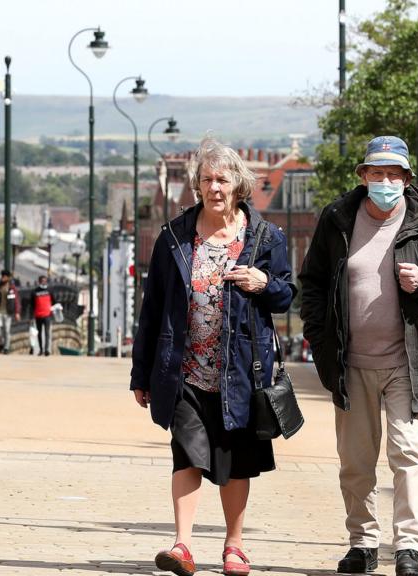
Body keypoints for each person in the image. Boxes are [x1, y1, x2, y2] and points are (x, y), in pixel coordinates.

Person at [299, 135, 418, 576]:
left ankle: (410, 547)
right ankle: (363, 543)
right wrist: (320, 343)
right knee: (355, 461)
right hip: (350, 362)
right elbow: (312, 283)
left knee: (408, 453)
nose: (386, 181)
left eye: (394, 174)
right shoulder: (337, 218)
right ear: (363, 176)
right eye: (378, 173)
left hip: (408, 359)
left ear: (408, 178)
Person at [131, 137, 296, 576]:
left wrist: (263, 283)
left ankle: (234, 546)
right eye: (206, 179)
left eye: (222, 179)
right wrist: (141, 373)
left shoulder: (266, 238)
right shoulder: (174, 238)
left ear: (238, 184)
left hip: (241, 371)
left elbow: (286, 296)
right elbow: (152, 309)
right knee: (186, 452)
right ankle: (183, 545)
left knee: (235, 459)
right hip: (184, 368)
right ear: (197, 185)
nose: (214, 187)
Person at [0, 270, 20, 354]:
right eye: (2, 276)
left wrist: (17, 312)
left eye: (5, 276)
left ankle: (6, 347)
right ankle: (1, 343)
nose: (3, 278)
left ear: (8, 277)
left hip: (8, 312)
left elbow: (16, 300)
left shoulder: (12, 288)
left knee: (7, 330)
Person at [31, 275, 56, 356]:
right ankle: (41, 350)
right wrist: (32, 315)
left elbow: (54, 301)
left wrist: (55, 309)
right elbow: (32, 304)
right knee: (39, 333)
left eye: (45, 281)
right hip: (38, 315)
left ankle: (46, 350)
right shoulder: (35, 291)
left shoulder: (50, 290)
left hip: (47, 315)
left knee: (47, 333)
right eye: (42, 281)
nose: (44, 282)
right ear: (39, 281)